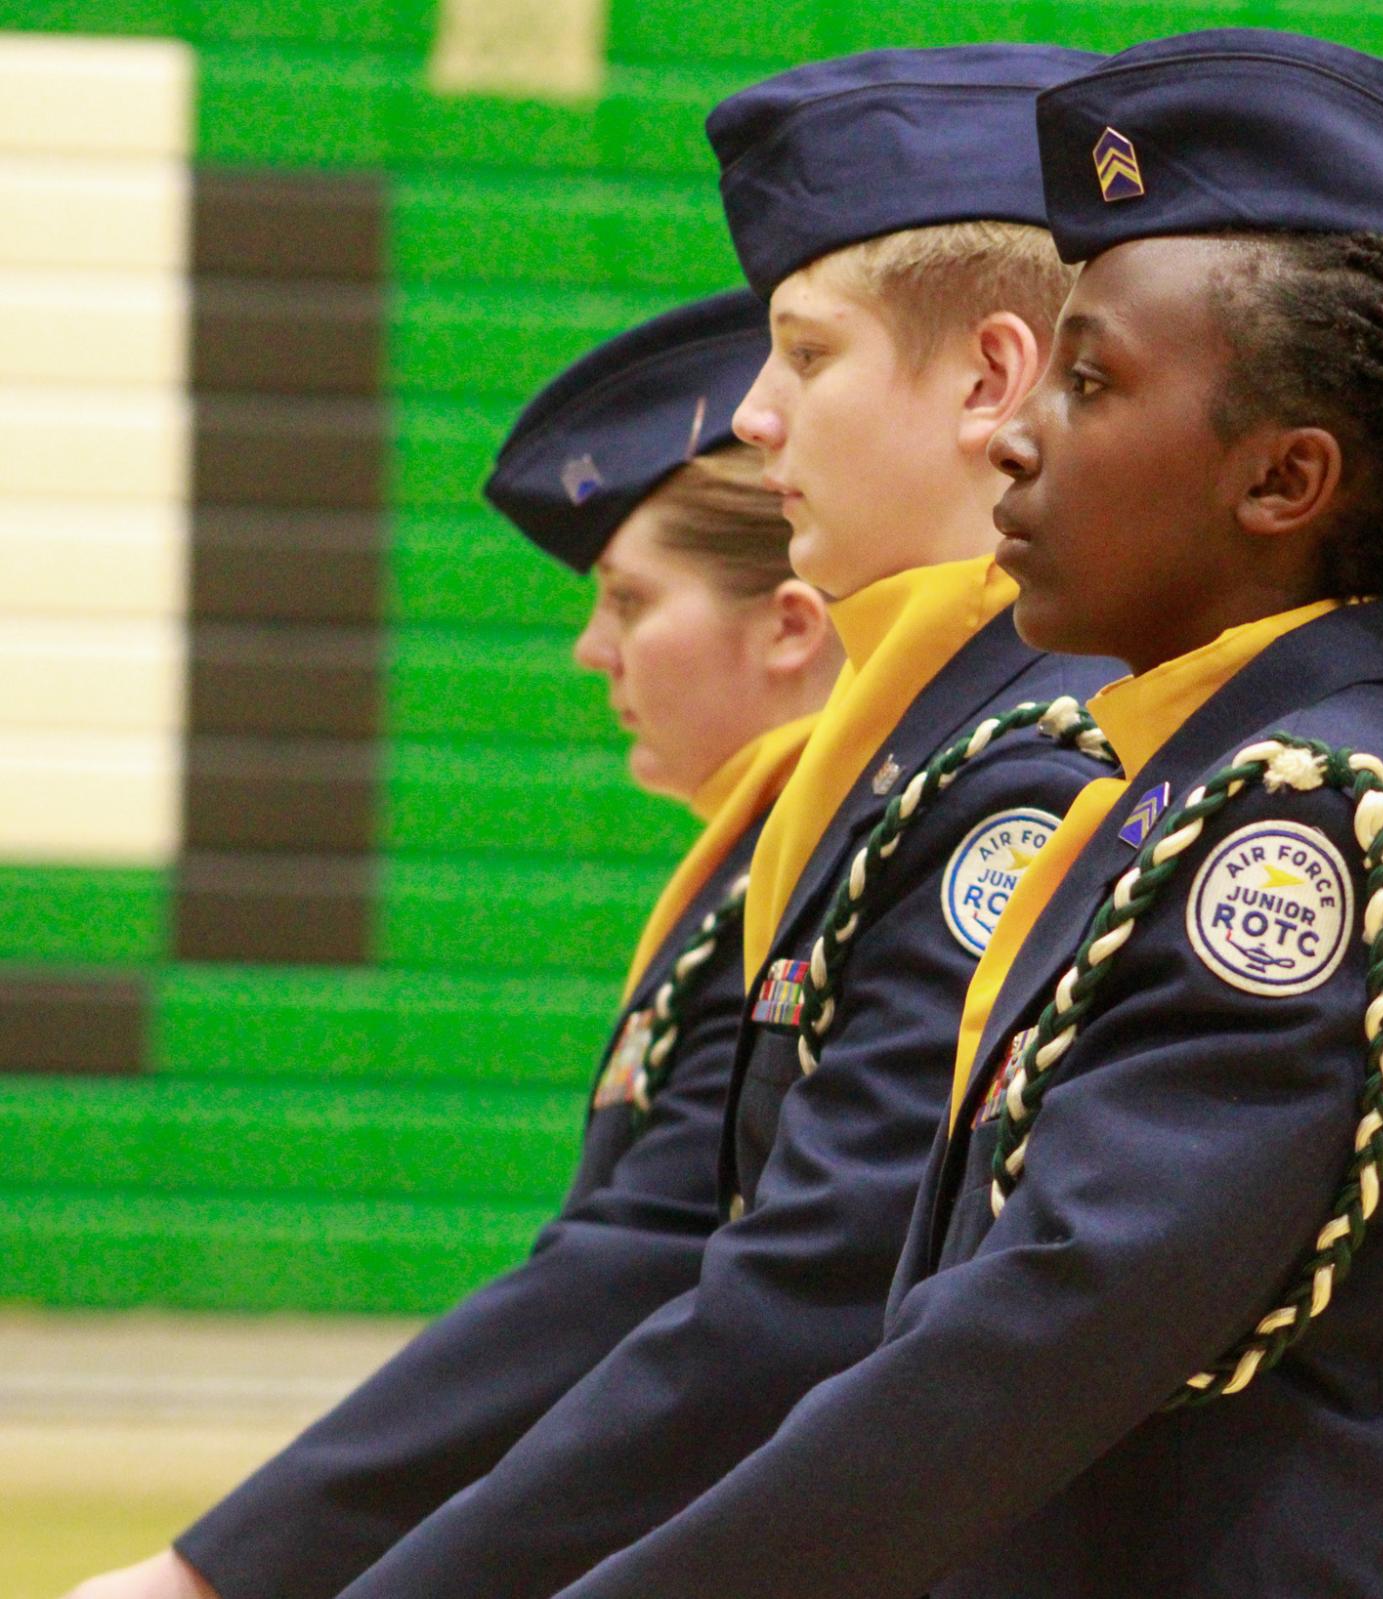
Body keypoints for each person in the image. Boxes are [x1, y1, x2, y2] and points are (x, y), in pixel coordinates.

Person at [539, 31, 1383, 1599]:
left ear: (1284, 481)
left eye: (1089, 382)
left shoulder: (1303, 826)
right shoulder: (1183, 784)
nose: (1017, 434)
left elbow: (1034, 1342)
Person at [321, 46, 1122, 1599]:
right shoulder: (929, 749)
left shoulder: (1035, 758)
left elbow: (808, 1293)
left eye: (806, 358)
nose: (751, 418)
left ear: (987, 380)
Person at [62, 291, 841, 1599]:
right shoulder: (762, 865)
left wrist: (215, 1573)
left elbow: (639, 1271)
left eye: (629, 598)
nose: (595, 649)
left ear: (787, 625)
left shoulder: (812, 876)